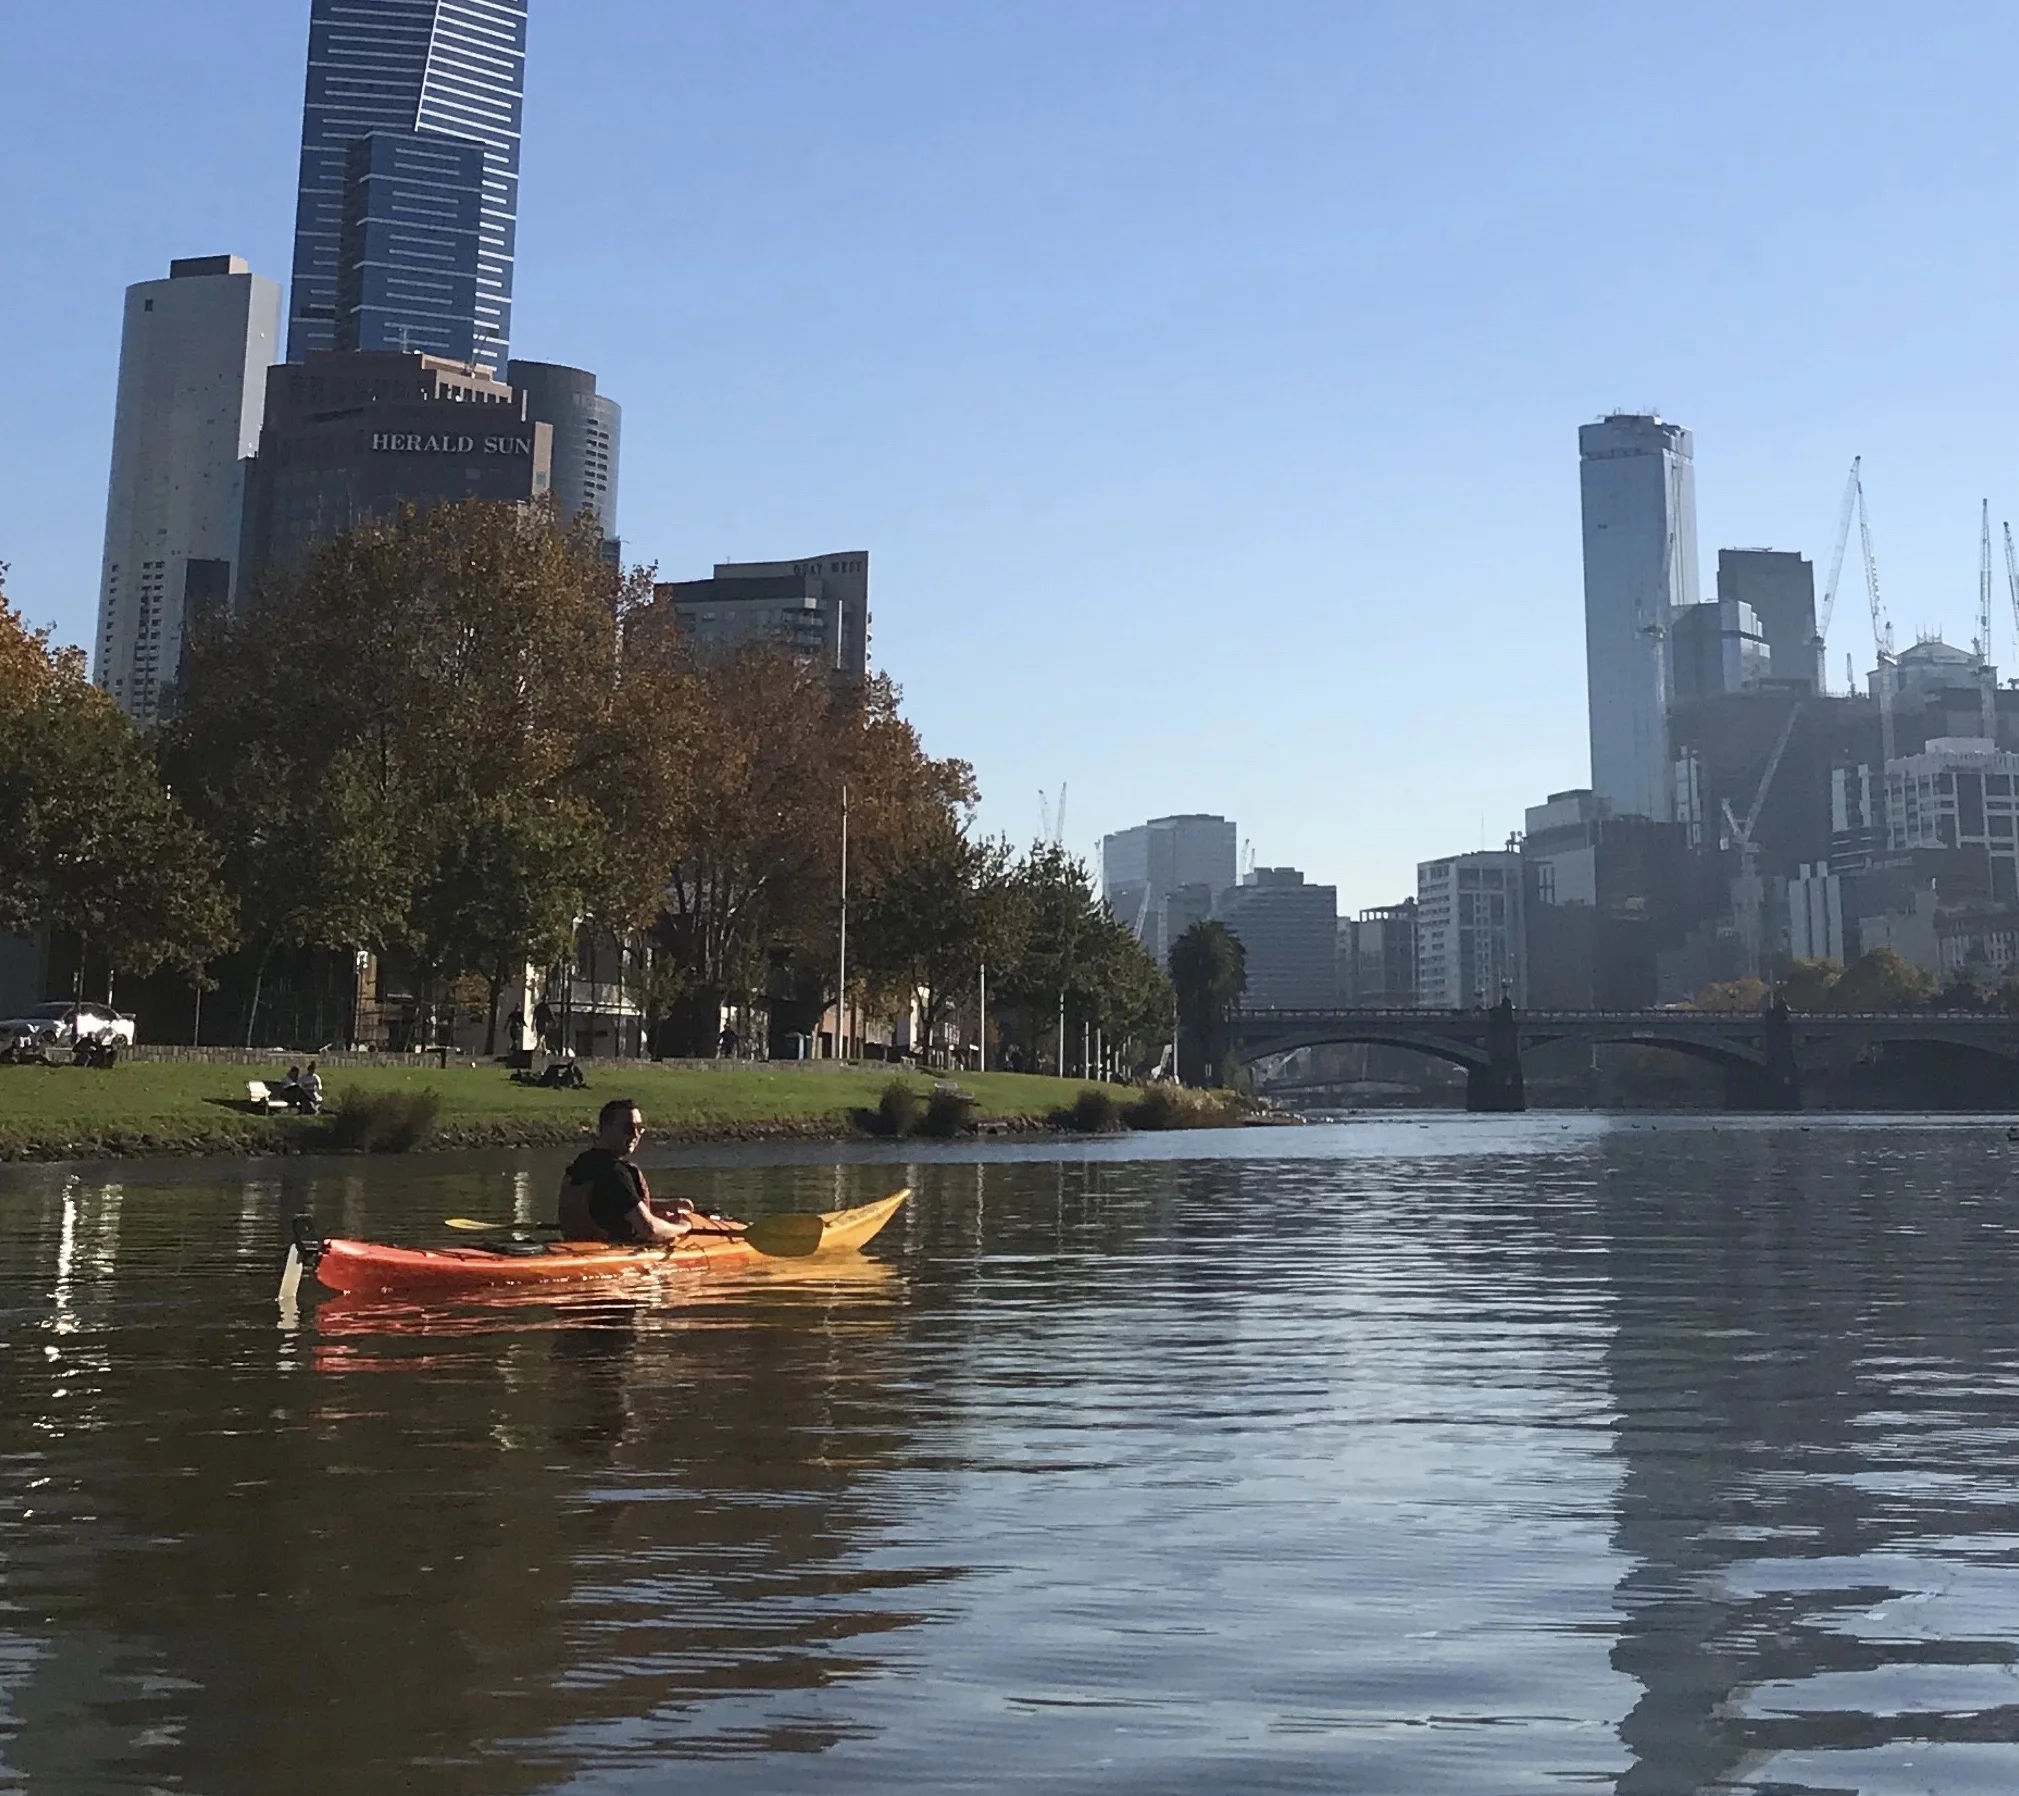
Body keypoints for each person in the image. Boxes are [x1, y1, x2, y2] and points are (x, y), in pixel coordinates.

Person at [557, 1099, 692, 1244]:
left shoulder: (583, 1162)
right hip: (609, 1253)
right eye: (628, 1128)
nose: (635, 1134)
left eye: (639, 1128)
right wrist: (682, 1227)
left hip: (577, 1246)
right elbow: (649, 1230)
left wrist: (667, 1205)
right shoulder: (615, 1173)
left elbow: (611, 1203)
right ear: (606, 1128)